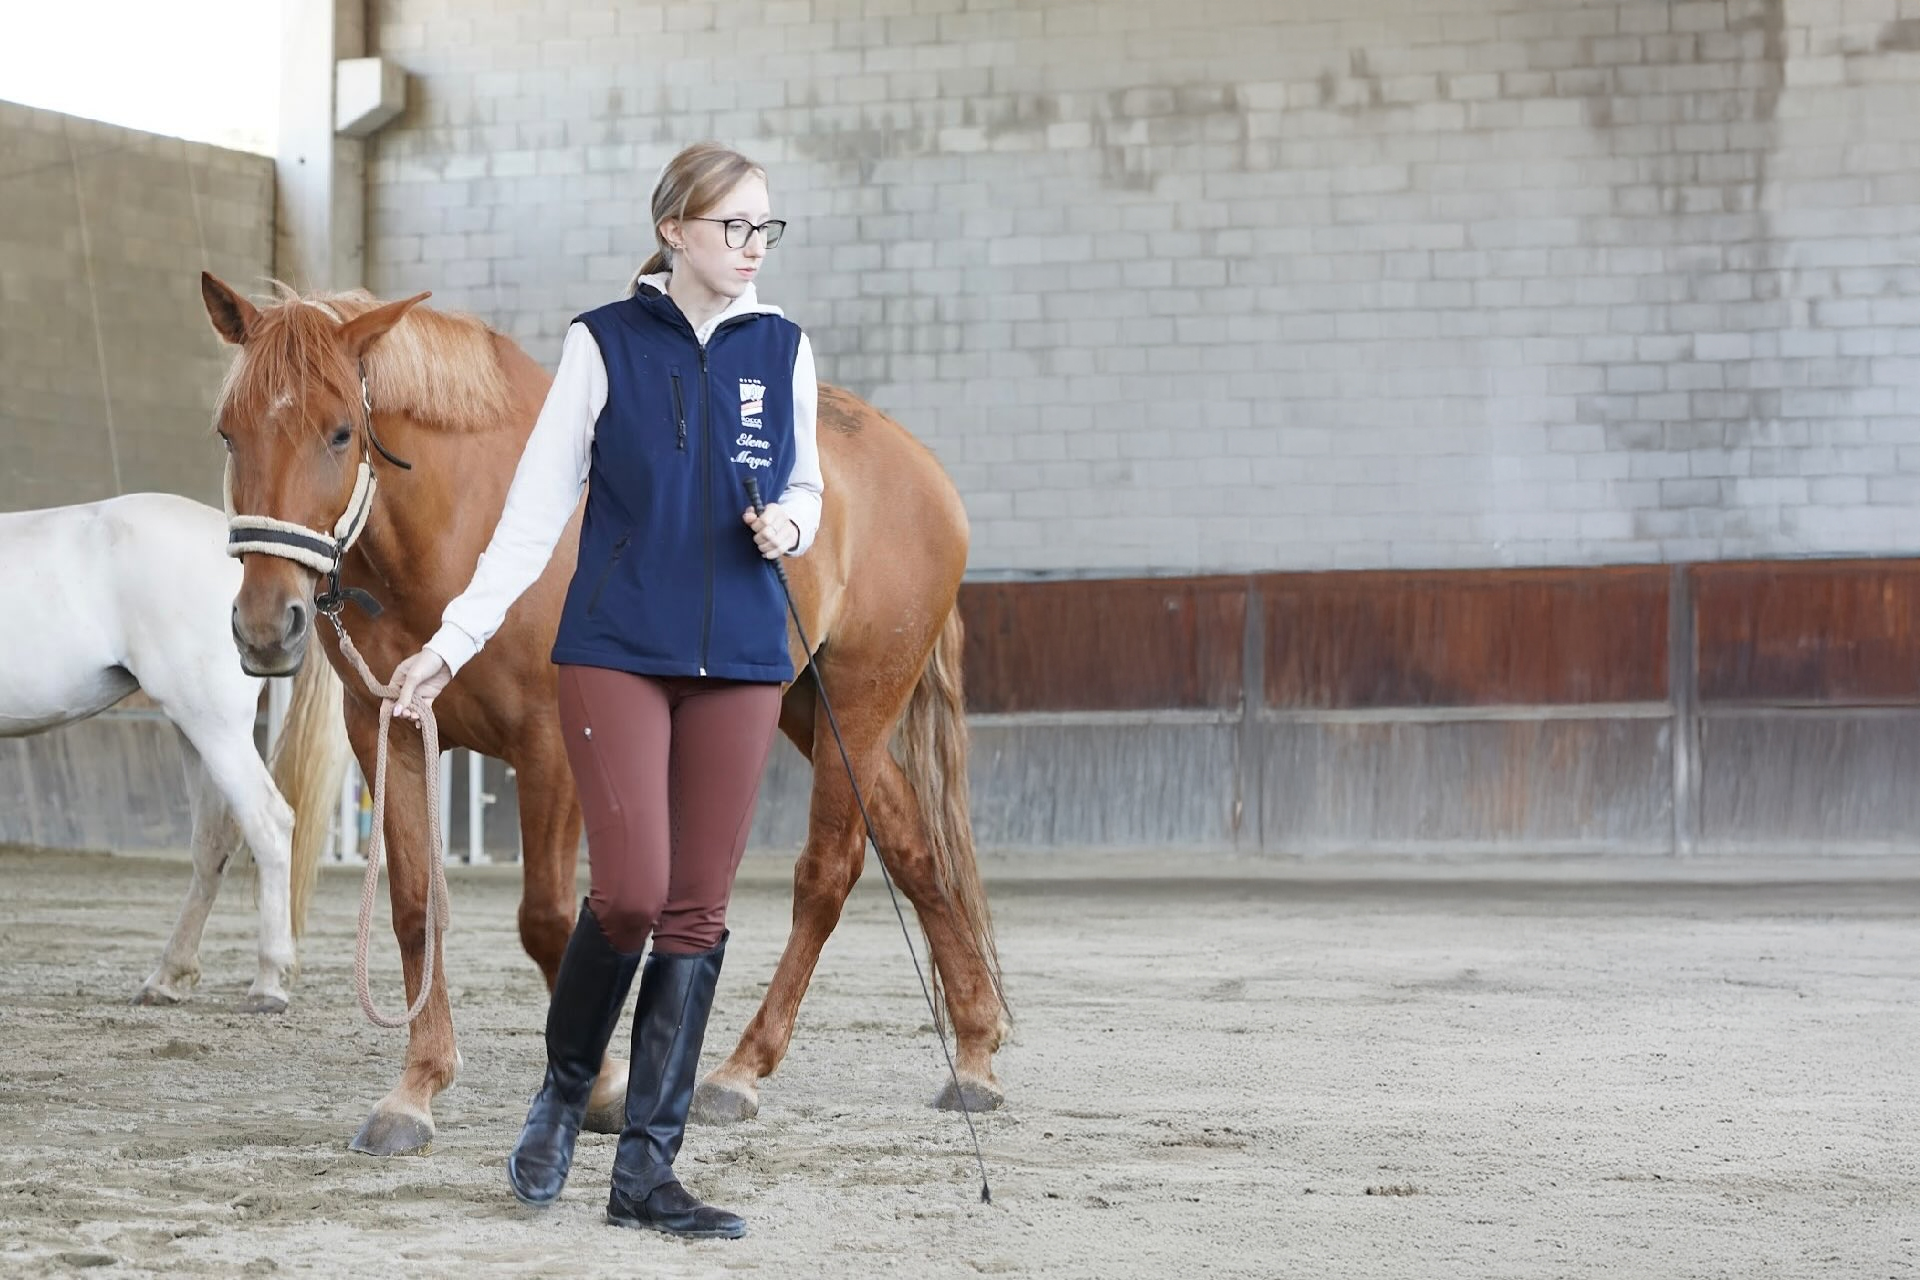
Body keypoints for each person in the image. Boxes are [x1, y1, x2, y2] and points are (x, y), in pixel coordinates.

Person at [387, 140, 822, 1240]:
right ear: (674, 230)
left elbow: (806, 482)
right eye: (733, 226)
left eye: (765, 227)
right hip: (618, 648)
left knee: (698, 912)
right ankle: (564, 1090)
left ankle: (647, 1172)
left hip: (742, 659)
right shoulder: (602, 342)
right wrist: (451, 642)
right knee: (630, 893)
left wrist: (791, 524)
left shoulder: (783, 347)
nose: (753, 246)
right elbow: (535, 513)